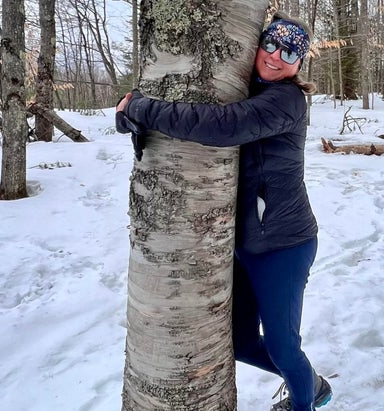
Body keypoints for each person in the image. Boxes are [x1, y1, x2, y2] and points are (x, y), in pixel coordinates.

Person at [115, 12, 332, 411]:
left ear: (299, 64)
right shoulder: (241, 87)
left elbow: (225, 127)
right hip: (245, 242)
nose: (275, 56)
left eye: (289, 52)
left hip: (284, 244)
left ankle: (307, 399)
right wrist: (131, 109)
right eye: (270, 44)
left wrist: (146, 109)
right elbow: (197, 106)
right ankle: (309, 383)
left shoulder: (287, 100)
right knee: (240, 342)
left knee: (285, 348)